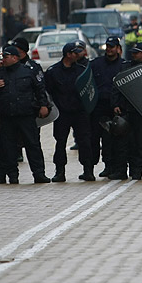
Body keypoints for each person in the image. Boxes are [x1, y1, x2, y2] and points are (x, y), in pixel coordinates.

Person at [0, 45, 50, 184]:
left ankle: (39, 173)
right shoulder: (0, 73)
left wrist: (43, 105)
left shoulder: (28, 72)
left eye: (6, 56)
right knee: (8, 147)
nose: (3, 59)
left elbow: (40, 90)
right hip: (7, 116)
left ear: (15, 57)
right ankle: (12, 175)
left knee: (32, 144)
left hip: (26, 114)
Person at [45, 41, 95, 182]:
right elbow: (47, 92)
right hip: (62, 113)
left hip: (80, 113)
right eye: (75, 52)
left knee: (85, 142)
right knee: (60, 142)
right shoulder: (53, 72)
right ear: (68, 54)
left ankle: (88, 170)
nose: (78, 54)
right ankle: (59, 171)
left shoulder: (81, 70)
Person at [112, 42, 142, 181]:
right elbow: (116, 86)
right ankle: (122, 170)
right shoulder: (125, 67)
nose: (134, 55)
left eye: (137, 52)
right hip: (126, 110)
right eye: (133, 52)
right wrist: (116, 104)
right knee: (123, 143)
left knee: (139, 142)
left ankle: (137, 170)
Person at [90, 36, 128, 179]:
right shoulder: (96, 64)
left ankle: (117, 166)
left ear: (118, 49)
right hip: (99, 106)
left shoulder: (124, 65)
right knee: (99, 138)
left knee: (116, 138)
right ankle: (106, 165)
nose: (109, 49)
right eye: (108, 46)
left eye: (112, 47)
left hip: (117, 107)